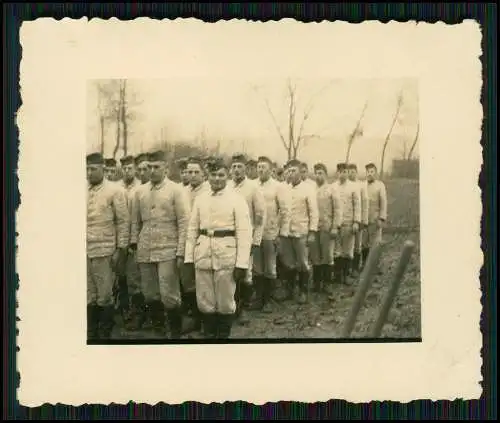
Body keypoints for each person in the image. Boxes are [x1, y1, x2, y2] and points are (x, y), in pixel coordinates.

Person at [183, 158, 252, 339]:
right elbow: (192, 230)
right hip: (203, 253)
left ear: (227, 175)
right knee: (205, 300)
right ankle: (209, 334)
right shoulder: (200, 199)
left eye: (221, 175)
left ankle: (222, 337)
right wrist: (189, 259)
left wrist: (242, 264)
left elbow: (244, 233)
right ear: (208, 176)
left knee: (225, 301)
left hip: (226, 255)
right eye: (213, 175)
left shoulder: (237, 199)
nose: (217, 179)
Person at [129, 150, 190, 338]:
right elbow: (134, 222)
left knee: (169, 294)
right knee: (150, 293)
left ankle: (175, 331)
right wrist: (134, 244)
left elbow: (184, 222)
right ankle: (158, 329)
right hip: (146, 248)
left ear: (165, 168)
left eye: (157, 167)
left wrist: (181, 252)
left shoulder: (176, 190)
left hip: (168, 249)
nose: (152, 171)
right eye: (149, 167)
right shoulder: (139, 192)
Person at [86, 153, 130, 340]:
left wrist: (120, 250)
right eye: (87, 169)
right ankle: (91, 331)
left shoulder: (115, 191)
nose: (89, 172)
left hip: (105, 249)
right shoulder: (82, 190)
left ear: (103, 169)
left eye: (93, 169)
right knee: (89, 294)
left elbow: (123, 221)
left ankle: (105, 332)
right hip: (85, 249)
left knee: (104, 294)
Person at [229, 154, 266, 319]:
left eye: (240, 167)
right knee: (230, 273)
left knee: (245, 273)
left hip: (246, 238)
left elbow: (260, 216)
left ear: (246, 168)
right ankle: (232, 307)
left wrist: (255, 240)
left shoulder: (252, 188)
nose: (236, 170)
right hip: (228, 238)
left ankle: (243, 309)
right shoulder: (227, 186)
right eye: (234, 167)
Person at [253, 156, 291, 311]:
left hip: (271, 232)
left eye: (264, 167)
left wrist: (281, 234)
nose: (261, 170)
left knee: (270, 266)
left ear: (270, 169)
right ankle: (259, 298)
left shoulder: (278, 187)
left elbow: (285, 211)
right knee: (256, 267)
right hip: (255, 233)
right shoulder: (252, 186)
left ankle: (268, 300)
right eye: (259, 167)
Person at [279, 159, 319, 304]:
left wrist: (312, 232)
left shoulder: (308, 189)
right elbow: (281, 211)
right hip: (286, 232)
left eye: (294, 171)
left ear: (300, 172)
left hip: (301, 232)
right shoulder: (284, 189)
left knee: (303, 262)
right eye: (289, 171)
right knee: (288, 263)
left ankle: (303, 291)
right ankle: (289, 291)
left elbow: (314, 212)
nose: (291, 174)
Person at [179, 156, 211, 334]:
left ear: (204, 174)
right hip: (186, 240)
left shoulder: (208, 191)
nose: (192, 175)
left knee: (204, 280)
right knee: (188, 280)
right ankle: (193, 317)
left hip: (204, 240)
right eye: (189, 172)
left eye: (196, 172)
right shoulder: (182, 191)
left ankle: (206, 319)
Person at [310, 163, 343, 293]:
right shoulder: (311, 189)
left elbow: (338, 209)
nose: (318, 176)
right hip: (314, 228)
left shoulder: (331, 190)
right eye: (316, 173)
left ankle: (327, 283)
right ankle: (317, 283)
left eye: (320, 173)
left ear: (325, 174)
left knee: (328, 256)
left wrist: (335, 227)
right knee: (315, 256)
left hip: (327, 228)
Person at [332, 163, 361, 285]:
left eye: (344, 172)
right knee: (337, 250)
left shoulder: (353, 187)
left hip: (349, 223)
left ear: (347, 173)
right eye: (340, 172)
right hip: (336, 224)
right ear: (337, 173)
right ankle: (338, 275)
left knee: (348, 251)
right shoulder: (332, 187)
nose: (342, 174)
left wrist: (356, 222)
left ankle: (346, 275)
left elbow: (357, 205)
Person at [363, 163, 388, 270]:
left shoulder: (380, 185)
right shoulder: (362, 185)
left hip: (375, 219)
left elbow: (383, 203)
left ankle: (376, 267)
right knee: (364, 243)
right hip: (364, 220)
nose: (369, 174)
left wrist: (381, 218)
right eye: (368, 172)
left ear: (375, 173)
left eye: (372, 171)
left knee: (376, 243)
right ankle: (365, 266)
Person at [347, 163, 369, 275]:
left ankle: (355, 267)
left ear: (356, 172)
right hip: (347, 220)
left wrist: (363, 221)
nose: (351, 174)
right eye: (349, 172)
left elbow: (364, 203)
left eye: (353, 172)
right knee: (347, 245)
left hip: (358, 220)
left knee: (357, 244)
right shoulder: (345, 185)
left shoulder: (361, 185)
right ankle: (348, 268)